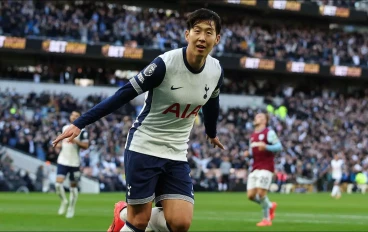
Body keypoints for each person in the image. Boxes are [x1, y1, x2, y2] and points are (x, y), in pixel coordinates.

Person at [52, 8, 224, 232]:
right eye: (197, 31)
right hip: (145, 146)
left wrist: (211, 132)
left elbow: (211, 103)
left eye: (208, 32)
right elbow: (122, 95)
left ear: (217, 39)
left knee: (180, 223)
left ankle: (123, 213)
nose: (202, 37)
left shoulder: (216, 70)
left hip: (176, 152)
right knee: (138, 221)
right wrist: (80, 122)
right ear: (187, 35)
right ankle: (125, 215)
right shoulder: (165, 64)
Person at [244, 113, 282, 227]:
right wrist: (248, 154)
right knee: (251, 196)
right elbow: (253, 152)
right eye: (256, 117)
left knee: (261, 193)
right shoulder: (252, 136)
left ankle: (266, 219)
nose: (256, 118)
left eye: (260, 117)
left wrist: (267, 147)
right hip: (255, 167)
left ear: (265, 121)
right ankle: (270, 205)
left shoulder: (269, 132)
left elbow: (279, 147)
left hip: (267, 166)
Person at [55, 110, 89, 218]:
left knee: (73, 187)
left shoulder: (83, 131)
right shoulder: (64, 128)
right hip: (62, 160)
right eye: (72, 115)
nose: (74, 117)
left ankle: (71, 207)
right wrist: (59, 146)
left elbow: (85, 146)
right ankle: (64, 201)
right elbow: (61, 142)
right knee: (57, 184)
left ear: (80, 117)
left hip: (74, 162)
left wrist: (75, 141)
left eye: (76, 116)